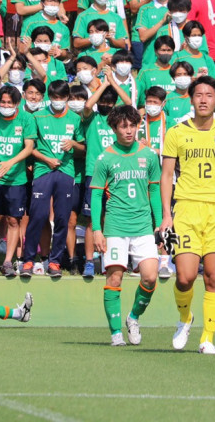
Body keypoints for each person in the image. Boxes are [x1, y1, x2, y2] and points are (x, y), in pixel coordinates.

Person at [160, 76, 215, 354]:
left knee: (214, 275)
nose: (203, 100)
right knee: (184, 276)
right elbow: (165, 176)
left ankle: (207, 338)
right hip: (184, 209)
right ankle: (185, 318)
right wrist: (166, 215)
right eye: (198, 95)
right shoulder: (176, 132)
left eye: (209, 95)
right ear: (191, 99)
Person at [90, 105, 162, 345]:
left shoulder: (149, 155)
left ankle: (133, 318)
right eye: (123, 126)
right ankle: (115, 333)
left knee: (150, 278)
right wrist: (97, 230)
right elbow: (96, 196)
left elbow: (154, 189)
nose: (129, 131)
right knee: (115, 279)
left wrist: (159, 224)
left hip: (143, 227)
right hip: (115, 227)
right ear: (114, 129)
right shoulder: (105, 158)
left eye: (133, 125)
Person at [26, 80, 83, 279]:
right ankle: (29, 258)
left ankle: (55, 261)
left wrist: (73, 144)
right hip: (43, 170)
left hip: (66, 172)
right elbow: (29, 147)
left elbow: (84, 148)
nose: (58, 101)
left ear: (67, 98)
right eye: (54, 98)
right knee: (39, 215)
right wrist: (46, 159)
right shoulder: (38, 116)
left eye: (61, 98)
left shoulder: (75, 119)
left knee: (62, 218)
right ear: (49, 97)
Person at [0, 85, 37, 276]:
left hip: (17, 179)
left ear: (17, 103)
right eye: (2, 102)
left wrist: (9, 164)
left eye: (9, 102)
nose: (5, 105)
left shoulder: (26, 118)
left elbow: (29, 147)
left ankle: (8, 261)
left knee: (14, 220)